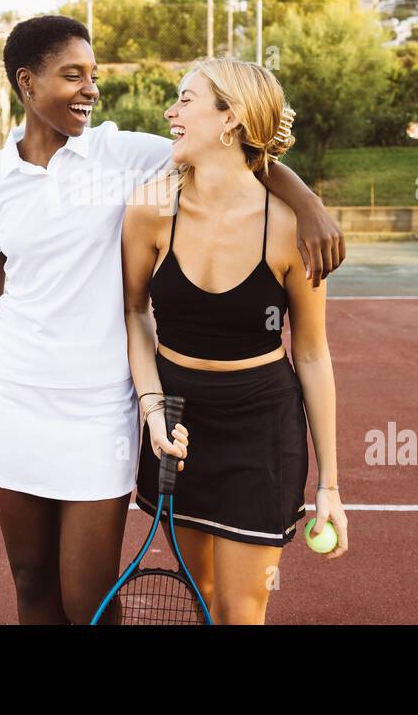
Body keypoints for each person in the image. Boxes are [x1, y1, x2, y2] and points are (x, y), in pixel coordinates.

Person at [0, 16, 345, 624]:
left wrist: (307, 201)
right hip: (11, 394)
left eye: (94, 76)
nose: (90, 89)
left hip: (101, 403)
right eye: (72, 75)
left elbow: (237, 154)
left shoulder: (123, 154)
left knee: (90, 600)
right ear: (27, 83)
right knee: (30, 582)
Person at [122, 56, 348, 625]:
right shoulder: (149, 209)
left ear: (231, 120)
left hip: (260, 427)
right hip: (176, 420)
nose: (170, 112)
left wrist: (331, 486)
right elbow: (134, 315)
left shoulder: (293, 228)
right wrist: (152, 410)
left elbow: (313, 354)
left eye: (186, 100)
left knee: (240, 609)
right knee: (196, 590)